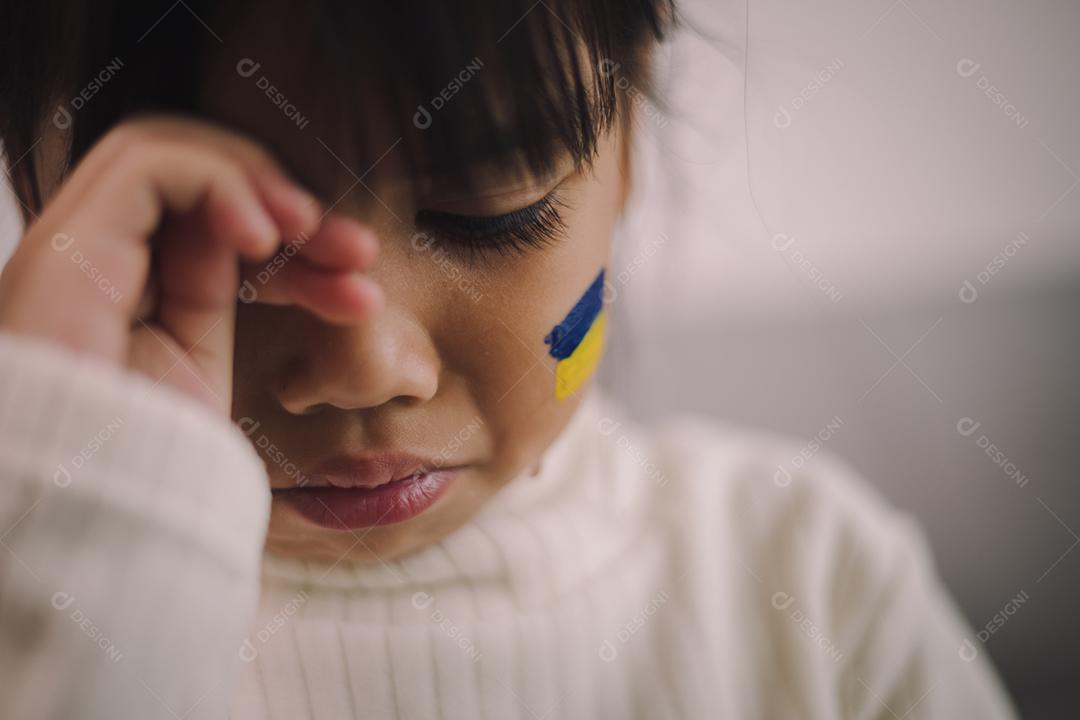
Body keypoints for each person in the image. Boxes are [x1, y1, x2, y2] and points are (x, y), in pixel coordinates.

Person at [0, 0, 1017, 717]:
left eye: (490, 212)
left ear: (627, 146)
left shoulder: (812, 589)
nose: (367, 365)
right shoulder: (32, 609)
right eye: (216, 237)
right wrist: (94, 538)